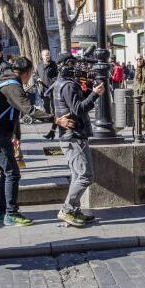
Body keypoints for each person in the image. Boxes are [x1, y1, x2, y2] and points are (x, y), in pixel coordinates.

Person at [0, 57, 72, 226]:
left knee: (6, 172)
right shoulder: (13, 86)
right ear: (27, 72)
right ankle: (11, 213)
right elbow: (29, 110)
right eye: (30, 73)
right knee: (12, 173)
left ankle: (1, 212)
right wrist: (55, 119)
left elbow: (10, 112)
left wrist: (14, 136)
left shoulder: (6, 79)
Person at [53, 53, 105, 227]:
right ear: (65, 66)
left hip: (70, 136)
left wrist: (87, 91)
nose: (77, 68)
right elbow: (78, 109)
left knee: (77, 175)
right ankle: (67, 209)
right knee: (85, 175)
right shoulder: (68, 86)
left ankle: (74, 210)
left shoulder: (61, 83)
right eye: (73, 64)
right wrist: (95, 94)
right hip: (74, 136)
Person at [0, 41, 27, 174]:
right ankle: (15, 160)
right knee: (5, 137)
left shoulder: (5, 67)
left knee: (4, 137)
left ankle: (2, 163)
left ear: (0, 52)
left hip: (6, 109)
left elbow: (11, 88)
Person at [34, 49, 58, 114]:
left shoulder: (53, 64)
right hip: (43, 87)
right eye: (46, 55)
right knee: (46, 104)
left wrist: (53, 81)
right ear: (42, 56)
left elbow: (57, 75)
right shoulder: (39, 64)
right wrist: (37, 78)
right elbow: (35, 74)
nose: (48, 56)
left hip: (52, 87)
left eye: (49, 54)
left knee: (53, 104)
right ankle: (48, 116)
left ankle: (55, 116)